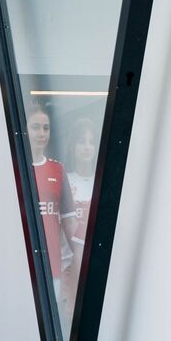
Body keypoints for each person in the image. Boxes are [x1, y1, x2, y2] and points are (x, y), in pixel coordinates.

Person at [26, 104, 78, 284]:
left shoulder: (57, 169)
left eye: (45, 128)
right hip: (21, 267)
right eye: (35, 127)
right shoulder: (14, 169)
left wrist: (83, 256)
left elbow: (69, 221)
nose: (41, 133)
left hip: (52, 269)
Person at [63, 115, 99, 312]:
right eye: (82, 141)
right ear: (73, 147)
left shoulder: (102, 183)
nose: (87, 147)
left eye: (91, 142)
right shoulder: (64, 181)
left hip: (96, 269)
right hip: (68, 272)